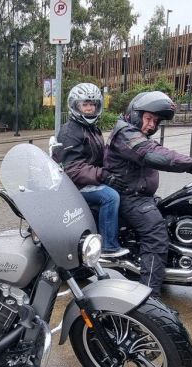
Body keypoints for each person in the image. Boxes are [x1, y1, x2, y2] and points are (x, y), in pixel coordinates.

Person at [104, 91, 192, 296]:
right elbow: (154, 154)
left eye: (156, 121)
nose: (151, 125)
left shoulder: (134, 132)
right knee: (156, 234)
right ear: (135, 114)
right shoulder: (126, 134)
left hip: (139, 195)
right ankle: (149, 297)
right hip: (128, 197)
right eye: (148, 118)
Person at [53, 82, 129, 257]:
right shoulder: (70, 131)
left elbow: (99, 157)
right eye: (84, 104)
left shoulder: (92, 128)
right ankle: (109, 246)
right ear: (75, 106)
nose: (89, 109)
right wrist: (103, 175)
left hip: (89, 179)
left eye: (92, 105)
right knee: (110, 197)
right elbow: (72, 169)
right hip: (73, 186)